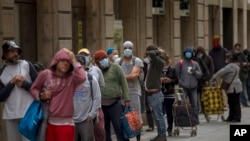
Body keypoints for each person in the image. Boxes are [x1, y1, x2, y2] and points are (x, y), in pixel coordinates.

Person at [29, 48, 86, 141]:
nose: (66, 63)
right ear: (56, 61)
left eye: (68, 61)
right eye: (63, 60)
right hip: (48, 122)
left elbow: (82, 77)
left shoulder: (72, 77)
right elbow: (33, 89)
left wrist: (74, 59)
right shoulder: (46, 74)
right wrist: (41, 95)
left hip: (66, 124)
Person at [0, 41, 38, 141]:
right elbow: (0, 97)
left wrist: (24, 84)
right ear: (5, 53)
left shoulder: (27, 65)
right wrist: (12, 83)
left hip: (28, 113)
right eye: (12, 51)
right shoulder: (1, 71)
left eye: (17, 51)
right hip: (10, 115)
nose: (16, 54)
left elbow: (39, 87)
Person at [93, 50, 130, 141]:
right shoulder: (96, 71)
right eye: (100, 60)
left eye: (104, 58)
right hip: (101, 105)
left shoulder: (116, 67)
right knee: (105, 130)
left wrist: (127, 99)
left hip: (115, 103)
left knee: (119, 128)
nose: (103, 60)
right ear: (97, 62)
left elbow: (124, 83)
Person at [115, 40, 144, 141]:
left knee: (135, 116)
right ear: (122, 49)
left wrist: (121, 77)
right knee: (123, 117)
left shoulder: (137, 61)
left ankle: (138, 138)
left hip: (134, 91)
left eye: (130, 48)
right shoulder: (118, 61)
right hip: (121, 92)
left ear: (133, 49)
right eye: (125, 48)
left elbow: (134, 75)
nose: (127, 50)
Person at [78, 48, 106, 141]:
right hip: (76, 116)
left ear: (90, 57)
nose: (85, 57)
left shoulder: (95, 72)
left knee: (99, 131)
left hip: (92, 111)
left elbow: (101, 87)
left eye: (86, 55)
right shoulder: (71, 78)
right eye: (82, 55)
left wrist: (92, 112)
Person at [73, 55, 101, 141]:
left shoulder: (91, 79)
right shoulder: (68, 79)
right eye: (76, 63)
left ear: (85, 65)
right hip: (71, 120)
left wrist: (92, 114)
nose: (78, 66)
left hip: (86, 119)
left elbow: (97, 97)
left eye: (81, 63)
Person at [144, 45, 167, 141]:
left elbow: (152, 54)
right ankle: (160, 134)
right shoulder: (152, 63)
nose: (147, 55)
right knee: (156, 116)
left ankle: (163, 135)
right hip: (150, 94)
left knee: (159, 116)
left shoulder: (159, 62)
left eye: (148, 53)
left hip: (155, 94)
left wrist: (157, 51)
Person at [211, 52, 242, 122]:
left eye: (227, 57)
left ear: (230, 58)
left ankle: (236, 117)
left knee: (234, 102)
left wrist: (213, 77)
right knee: (233, 102)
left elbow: (221, 71)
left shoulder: (231, 66)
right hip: (236, 85)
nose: (226, 59)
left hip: (233, 86)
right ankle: (232, 116)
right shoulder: (236, 65)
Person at [175, 47, 202, 124]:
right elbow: (176, 74)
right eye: (187, 53)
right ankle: (182, 120)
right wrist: (180, 82)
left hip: (193, 87)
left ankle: (195, 120)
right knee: (182, 104)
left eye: (190, 53)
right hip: (183, 87)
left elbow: (200, 75)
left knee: (194, 105)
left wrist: (195, 72)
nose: (188, 54)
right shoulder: (180, 63)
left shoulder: (195, 64)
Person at [160, 53, 178, 136]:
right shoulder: (158, 70)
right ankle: (162, 129)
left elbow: (177, 80)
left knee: (169, 112)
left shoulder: (172, 69)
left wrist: (170, 80)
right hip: (160, 93)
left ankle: (170, 128)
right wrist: (160, 80)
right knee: (161, 112)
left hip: (170, 93)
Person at [209, 35, 228, 110]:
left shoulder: (224, 51)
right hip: (216, 73)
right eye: (214, 41)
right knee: (216, 88)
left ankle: (224, 104)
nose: (215, 43)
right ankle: (217, 104)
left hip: (223, 72)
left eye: (216, 41)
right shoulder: (211, 52)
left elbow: (227, 60)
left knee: (222, 89)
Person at [195, 46, 214, 113]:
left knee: (203, 95)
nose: (200, 54)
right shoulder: (196, 59)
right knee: (196, 95)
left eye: (201, 52)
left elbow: (211, 70)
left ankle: (204, 108)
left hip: (204, 79)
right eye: (198, 52)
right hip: (197, 80)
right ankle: (197, 109)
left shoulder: (208, 58)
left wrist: (208, 79)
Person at [142, 54, 155, 132]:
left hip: (155, 88)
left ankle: (157, 123)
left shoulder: (156, 64)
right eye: (146, 56)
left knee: (155, 107)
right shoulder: (144, 64)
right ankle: (151, 125)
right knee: (148, 107)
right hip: (146, 87)